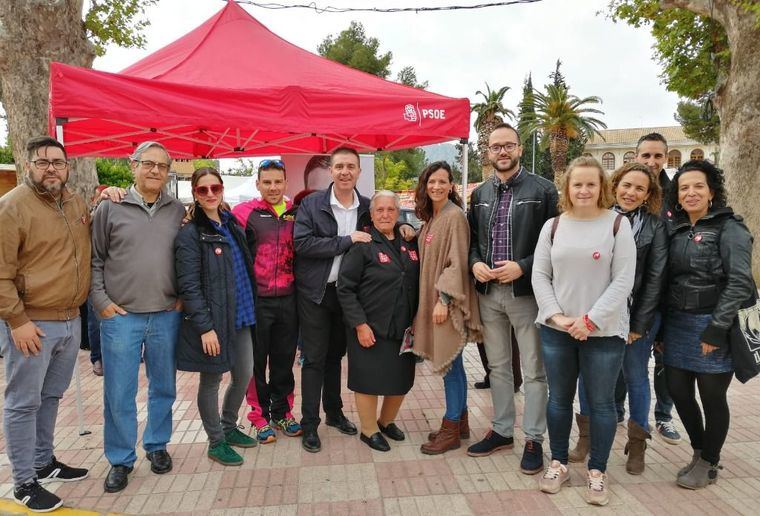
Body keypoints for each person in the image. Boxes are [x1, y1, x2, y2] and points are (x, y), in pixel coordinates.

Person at [532, 156, 636, 506]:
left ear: (602, 187)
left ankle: (598, 470)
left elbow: (623, 280)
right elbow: (540, 276)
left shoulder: (618, 226)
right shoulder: (552, 227)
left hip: (603, 333)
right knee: (559, 399)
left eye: (591, 183)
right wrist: (558, 317)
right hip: (558, 330)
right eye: (577, 184)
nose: (584, 190)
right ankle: (558, 462)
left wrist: (589, 320)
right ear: (567, 188)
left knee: (602, 403)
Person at [0, 136, 91, 512]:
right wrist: (17, 320)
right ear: (29, 165)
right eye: (43, 162)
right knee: (23, 402)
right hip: (31, 323)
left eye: (58, 161)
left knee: (50, 396)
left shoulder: (74, 202)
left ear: (67, 167)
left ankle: (43, 461)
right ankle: (23, 481)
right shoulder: (11, 207)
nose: (51, 168)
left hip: (71, 320)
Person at [91, 141, 186, 493]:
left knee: (164, 387)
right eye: (148, 164)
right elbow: (95, 259)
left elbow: (185, 257)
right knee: (119, 393)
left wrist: (181, 299)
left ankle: (157, 445)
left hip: (165, 315)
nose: (155, 171)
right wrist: (100, 301)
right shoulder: (110, 207)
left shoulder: (177, 210)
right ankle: (120, 459)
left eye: (162, 166)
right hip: (121, 317)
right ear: (133, 166)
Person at [466, 123, 558, 473]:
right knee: (498, 368)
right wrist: (475, 263)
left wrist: (522, 267)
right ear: (487, 153)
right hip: (489, 294)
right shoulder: (480, 194)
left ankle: (534, 438)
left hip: (527, 293)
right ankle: (502, 431)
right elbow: (472, 240)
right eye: (495, 147)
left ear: (519, 149)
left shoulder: (543, 190)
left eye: (508, 146)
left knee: (534, 371)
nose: (502, 152)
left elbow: (555, 244)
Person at [661, 160, 754, 489]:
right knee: (678, 392)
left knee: (712, 397)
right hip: (676, 325)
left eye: (698, 186)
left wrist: (715, 329)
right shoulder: (676, 228)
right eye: (684, 187)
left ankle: (710, 461)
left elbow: (740, 282)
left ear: (712, 191)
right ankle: (700, 451)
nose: (691, 193)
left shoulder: (731, 229)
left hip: (714, 325)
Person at [572, 162, 668, 474]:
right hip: (595, 314)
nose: (631, 192)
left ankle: (637, 445)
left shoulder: (655, 225)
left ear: (648, 194)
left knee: (635, 376)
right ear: (615, 184)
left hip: (635, 316)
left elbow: (655, 279)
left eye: (640, 188)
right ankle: (585, 438)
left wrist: (638, 325)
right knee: (587, 375)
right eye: (626, 185)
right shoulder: (598, 217)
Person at [175, 168, 258, 466]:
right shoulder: (190, 233)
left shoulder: (231, 222)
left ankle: (228, 425)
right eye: (203, 190)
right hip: (214, 320)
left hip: (242, 314)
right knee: (211, 381)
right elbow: (189, 285)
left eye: (215, 188)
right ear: (195, 194)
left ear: (222, 189)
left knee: (244, 373)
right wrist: (205, 328)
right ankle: (216, 441)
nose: (210, 194)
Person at [293, 147, 370, 452]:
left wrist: (403, 228)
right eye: (339, 166)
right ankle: (309, 424)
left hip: (347, 295)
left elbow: (381, 231)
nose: (345, 172)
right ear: (332, 170)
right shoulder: (312, 204)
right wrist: (345, 241)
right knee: (313, 360)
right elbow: (302, 243)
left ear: (358, 172)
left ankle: (334, 413)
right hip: (316, 293)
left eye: (351, 166)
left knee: (335, 358)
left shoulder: (366, 206)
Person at [337, 190, 420, 451]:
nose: (385, 214)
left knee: (401, 380)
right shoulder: (362, 244)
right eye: (379, 210)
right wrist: (360, 324)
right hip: (369, 326)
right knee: (368, 380)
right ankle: (369, 429)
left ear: (398, 212)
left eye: (390, 209)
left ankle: (386, 421)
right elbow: (345, 288)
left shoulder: (409, 241)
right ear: (371, 215)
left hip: (403, 326)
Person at [413, 161, 482, 455]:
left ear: (451, 185)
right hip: (434, 302)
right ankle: (460, 422)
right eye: (432, 182)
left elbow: (458, 261)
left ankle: (451, 427)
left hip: (447, 303)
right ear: (425, 185)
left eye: (443, 181)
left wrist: (444, 300)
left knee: (451, 366)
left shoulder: (454, 216)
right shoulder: (432, 217)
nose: (437, 186)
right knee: (454, 366)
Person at [232, 159, 302, 443]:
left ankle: (282, 412)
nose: (273, 187)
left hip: (289, 300)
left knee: (284, 361)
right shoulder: (242, 213)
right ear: (258, 184)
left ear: (286, 183)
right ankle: (258, 416)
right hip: (257, 302)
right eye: (267, 182)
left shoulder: (297, 213)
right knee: (256, 362)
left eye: (277, 182)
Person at [635, 132, 682, 445]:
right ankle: (626, 418)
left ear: (666, 158)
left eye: (657, 156)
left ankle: (663, 416)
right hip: (637, 297)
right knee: (632, 365)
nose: (652, 162)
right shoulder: (628, 190)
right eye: (646, 156)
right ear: (636, 157)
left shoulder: (678, 193)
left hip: (672, 296)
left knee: (666, 361)